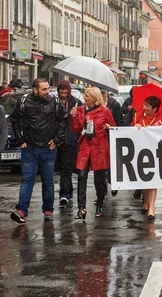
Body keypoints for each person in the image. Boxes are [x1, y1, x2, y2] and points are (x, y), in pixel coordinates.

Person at [10, 78, 66, 224]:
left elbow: (63, 120)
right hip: (29, 148)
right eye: (44, 89)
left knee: (48, 181)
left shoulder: (55, 101)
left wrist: (57, 140)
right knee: (27, 180)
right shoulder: (23, 102)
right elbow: (14, 120)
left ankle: (48, 210)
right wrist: (20, 140)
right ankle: (21, 211)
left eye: (48, 88)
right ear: (35, 90)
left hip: (48, 148)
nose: (47, 92)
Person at [70, 87, 116, 219]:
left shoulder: (104, 111)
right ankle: (81, 208)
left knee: (99, 178)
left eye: (87, 96)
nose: (84, 97)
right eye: (85, 95)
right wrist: (73, 117)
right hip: (85, 146)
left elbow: (114, 126)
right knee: (81, 176)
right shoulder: (80, 110)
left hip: (99, 147)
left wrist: (108, 128)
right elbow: (75, 129)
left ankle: (100, 203)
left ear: (95, 98)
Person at [133, 96, 162, 221]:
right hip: (141, 152)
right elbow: (129, 131)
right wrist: (135, 127)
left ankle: (151, 209)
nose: (144, 108)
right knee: (144, 178)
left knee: (153, 180)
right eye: (144, 105)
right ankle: (146, 201)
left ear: (155, 108)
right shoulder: (137, 116)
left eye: (147, 106)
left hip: (156, 152)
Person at [56, 80, 80, 206]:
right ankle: (68, 190)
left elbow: (81, 122)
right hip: (57, 140)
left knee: (67, 168)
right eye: (61, 93)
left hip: (70, 140)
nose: (63, 95)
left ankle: (64, 193)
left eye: (66, 93)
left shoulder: (76, 102)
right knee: (63, 168)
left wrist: (75, 115)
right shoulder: (54, 102)